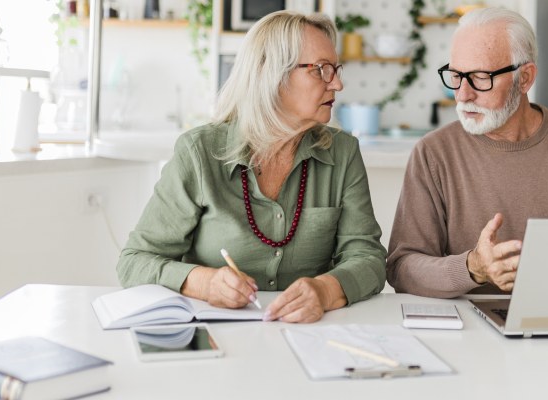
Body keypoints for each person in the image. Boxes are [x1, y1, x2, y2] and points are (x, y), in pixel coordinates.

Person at [116, 11, 386, 323]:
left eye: (335, 69)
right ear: (271, 74)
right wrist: (203, 283)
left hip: (310, 335)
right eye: (321, 70)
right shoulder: (199, 152)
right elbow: (134, 262)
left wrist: (325, 290)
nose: (337, 83)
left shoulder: (343, 152)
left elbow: (369, 259)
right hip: (217, 340)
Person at [386, 7, 548, 298]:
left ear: (526, 78)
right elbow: (401, 269)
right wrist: (472, 268)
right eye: (456, 76)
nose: (463, 94)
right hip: (468, 329)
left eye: (480, 77)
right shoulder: (434, 153)